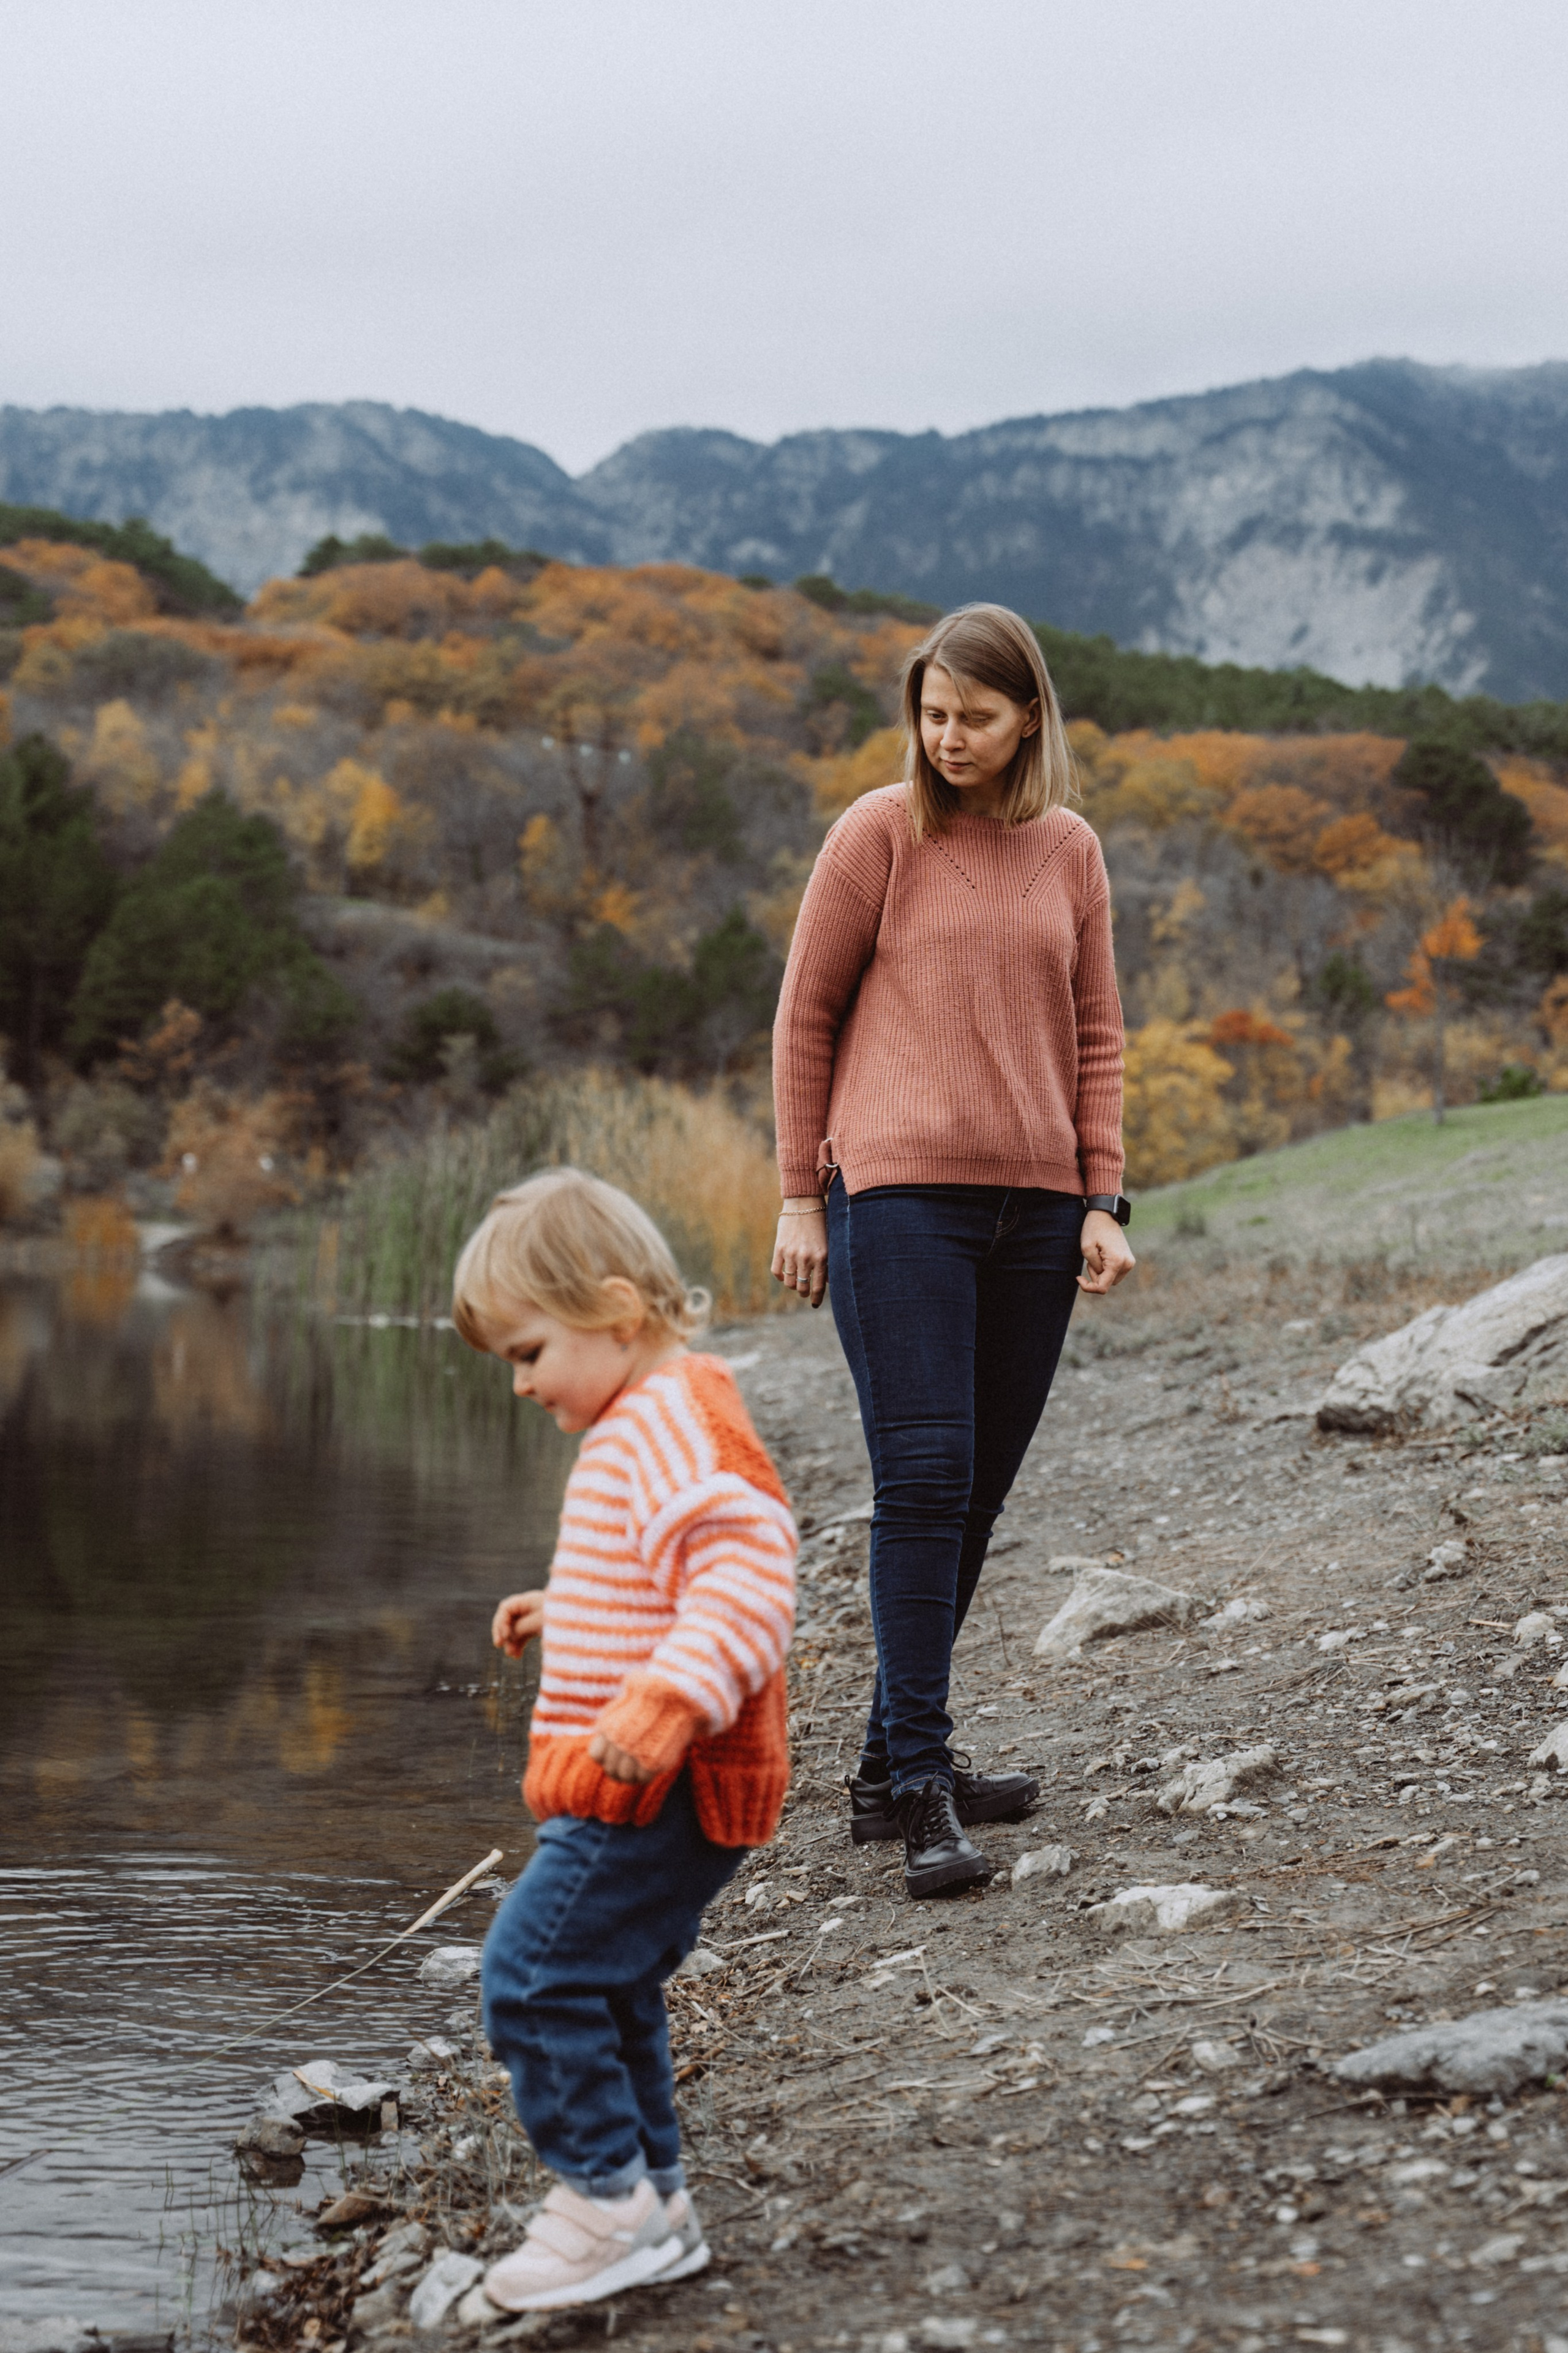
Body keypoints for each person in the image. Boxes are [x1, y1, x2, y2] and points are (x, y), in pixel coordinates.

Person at [771, 603, 1134, 1900]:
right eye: (929, 713)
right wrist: (795, 1197)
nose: (946, 736)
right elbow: (804, 1017)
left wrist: (1104, 1197)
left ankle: (885, 1765)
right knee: (922, 1479)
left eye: (973, 716)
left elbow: (1096, 1032)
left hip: (1036, 1210)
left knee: (972, 1490)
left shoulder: (1069, 850)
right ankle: (920, 1784)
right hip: (893, 1199)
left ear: (1026, 715)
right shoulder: (877, 831)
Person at [452, 1168, 796, 2314]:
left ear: (614, 1309)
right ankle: (656, 2205)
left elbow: (751, 1578)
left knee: (531, 1973)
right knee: (609, 1983)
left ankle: (600, 2204)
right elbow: (668, 1570)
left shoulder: (672, 1419)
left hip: (663, 1779)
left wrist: (663, 1706)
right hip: (655, 1777)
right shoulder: (642, 1412)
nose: (521, 1383)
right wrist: (574, 1605)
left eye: (530, 1350)